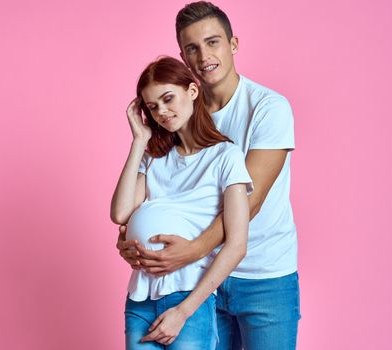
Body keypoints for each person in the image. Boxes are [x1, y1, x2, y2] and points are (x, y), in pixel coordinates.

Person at [116, 2, 301, 349]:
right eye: (192, 48)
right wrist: (133, 241)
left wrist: (190, 251)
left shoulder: (268, 108)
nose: (204, 56)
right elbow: (164, 190)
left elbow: (252, 198)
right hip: (197, 280)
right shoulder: (179, 114)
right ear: (183, 57)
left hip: (264, 277)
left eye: (213, 42)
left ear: (233, 44)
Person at [111, 56, 253, 349]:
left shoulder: (226, 156)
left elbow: (237, 245)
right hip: (140, 297)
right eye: (152, 107)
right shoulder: (154, 157)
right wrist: (139, 141)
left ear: (192, 90)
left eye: (167, 98)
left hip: (188, 297)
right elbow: (120, 212)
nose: (162, 111)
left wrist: (184, 311)